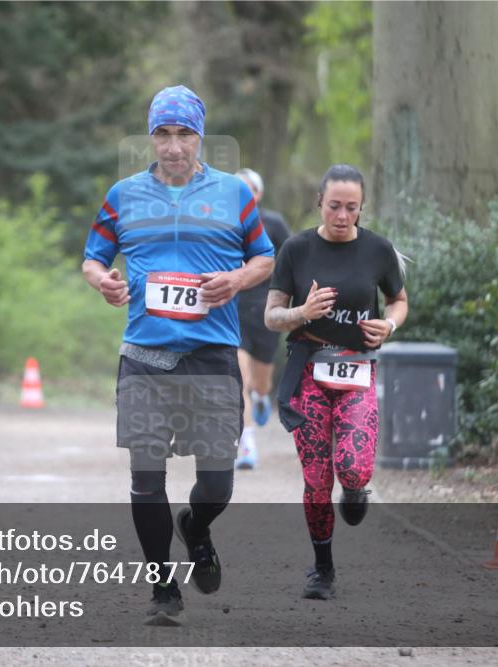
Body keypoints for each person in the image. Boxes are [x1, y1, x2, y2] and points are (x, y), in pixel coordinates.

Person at [82, 85, 275, 625]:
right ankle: (162, 588)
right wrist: (105, 282)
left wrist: (236, 278)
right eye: (163, 134)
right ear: (151, 136)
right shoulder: (122, 194)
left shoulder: (234, 193)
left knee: (217, 482)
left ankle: (196, 526)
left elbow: (265, 257)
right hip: (145, 356)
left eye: (184, 134)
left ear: (200, 136)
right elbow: (93, 258)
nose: (173, 146)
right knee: (146, 475)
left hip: (212, 354)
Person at [264, 164, 408, 601]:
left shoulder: (379, 251)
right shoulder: (296, 249)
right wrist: (302, 314)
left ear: (362, 208)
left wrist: (389, 324)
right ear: (319, 204)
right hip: (309, 371)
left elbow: (399, 300)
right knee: (316, 478)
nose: (342, 216)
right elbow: (272, 316)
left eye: (351, 208)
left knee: (353, 467)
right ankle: (322, 568)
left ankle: (357, 489)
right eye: (333, 206)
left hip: (358, 371)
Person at [233, 168, 291, 470]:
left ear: (258, 194)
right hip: (233, 309)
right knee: (238, 378)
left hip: (267, 311)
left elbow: (293, 256)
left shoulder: (274, 223)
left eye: (246, 189)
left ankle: (260, 396)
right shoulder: (224, 223)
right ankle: (246, 444)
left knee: (260, 383)